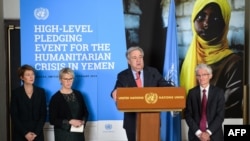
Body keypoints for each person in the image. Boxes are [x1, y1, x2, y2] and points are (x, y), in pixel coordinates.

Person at [180, 0, 243, 118]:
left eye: (215, 19)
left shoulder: (233, 63)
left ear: (225, 24)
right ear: (193, 19)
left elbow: (229, 111)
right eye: (200, 16)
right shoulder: (187, 61)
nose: (206, 23)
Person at [111, 46, 172, 141]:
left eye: (140, 57)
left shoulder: (153, 72)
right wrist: (115, 92)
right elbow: (115, 92)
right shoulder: (123, 76)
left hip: (152, 120)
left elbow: (166, 87)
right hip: (132, 122)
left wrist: (174, 90)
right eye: (134, 58)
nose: (138, 60)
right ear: (128, 61)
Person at [185, 63, 225, 141]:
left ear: (210, 76)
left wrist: (208, 133)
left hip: (214, 135)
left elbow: (220, 116)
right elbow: (188, 115)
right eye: (198, 75)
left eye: (204, 75)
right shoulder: (192, 93)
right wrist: (199, 133)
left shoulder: (219, 92)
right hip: (196, 136)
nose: (201, 78)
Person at [49, 67, 89, 141]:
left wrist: (82, 121)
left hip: (78, 134)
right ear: (60, 80)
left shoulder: (78, 94)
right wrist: (69, 122)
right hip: (63, 135)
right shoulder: (55, 98)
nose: (68, 82)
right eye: (65, 79)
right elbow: (52, 120)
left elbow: (85, 112)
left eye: (70, 79)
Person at [10, 64, 47, 141]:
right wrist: (25, 133)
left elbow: (43, 114)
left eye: (32, 74)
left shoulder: (41, 92)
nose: (31, 77)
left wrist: (36, 132)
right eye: (28, 75)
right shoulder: (16, 93)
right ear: (22, 77)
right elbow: (14, 115)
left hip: (37, 134)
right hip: (20, 134)